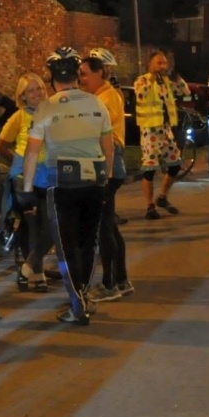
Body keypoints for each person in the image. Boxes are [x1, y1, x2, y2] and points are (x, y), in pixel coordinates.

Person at [20, 48, 112, 325]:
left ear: (51, 77)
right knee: (87, 242)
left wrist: (26, 189)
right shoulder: (97, 103)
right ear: (77, 75)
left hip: (62, 182)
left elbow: (32, 152)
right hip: (94, 181)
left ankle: (77, 306)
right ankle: (83, 296)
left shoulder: (46, 108)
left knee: (66, 247)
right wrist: (105, 177)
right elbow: (108, 145)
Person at [80, 49, 131, 300]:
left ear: (100, 73)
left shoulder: (106, 97)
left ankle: (109, 285)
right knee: (109, 226)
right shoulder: (102, 95)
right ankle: (121, 280)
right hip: (111, 163)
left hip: (109, 162)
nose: (81, 79)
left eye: (85, 74)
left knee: (104, 227)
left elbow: (101, 128)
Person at [0, 72, 50, 292]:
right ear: (23, 96)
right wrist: (16, 164)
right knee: (33, 228)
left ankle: (28, 268)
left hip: (49, 176)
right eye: (30, 91)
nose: (36, 94)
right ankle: (38, 274)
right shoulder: (18, 117)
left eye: (39, 89)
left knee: (50, 225)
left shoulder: (53, 113)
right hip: (24, 178)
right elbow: (1, 146)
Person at [132, 50, 183, 219]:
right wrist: (153, 77)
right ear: (150, 64)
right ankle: (149, 206)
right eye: (159, 63)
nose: (163, 66)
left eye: (164, 63)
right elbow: (141, 94)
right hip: (150, 130)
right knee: (150, 169)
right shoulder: (142, 80)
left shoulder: (166, 81)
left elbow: (184, 91)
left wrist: (177, 79)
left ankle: (162, 197)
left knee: (175, 164)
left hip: (166, 129)